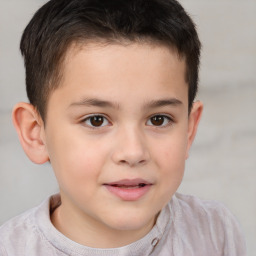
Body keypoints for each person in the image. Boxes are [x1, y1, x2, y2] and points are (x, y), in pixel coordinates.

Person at [0, 0, 246, 255]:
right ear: (36, 134)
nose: (132, 152)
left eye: (158, 119)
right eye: (96, 120)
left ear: (189, 130)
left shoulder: (216, 233)